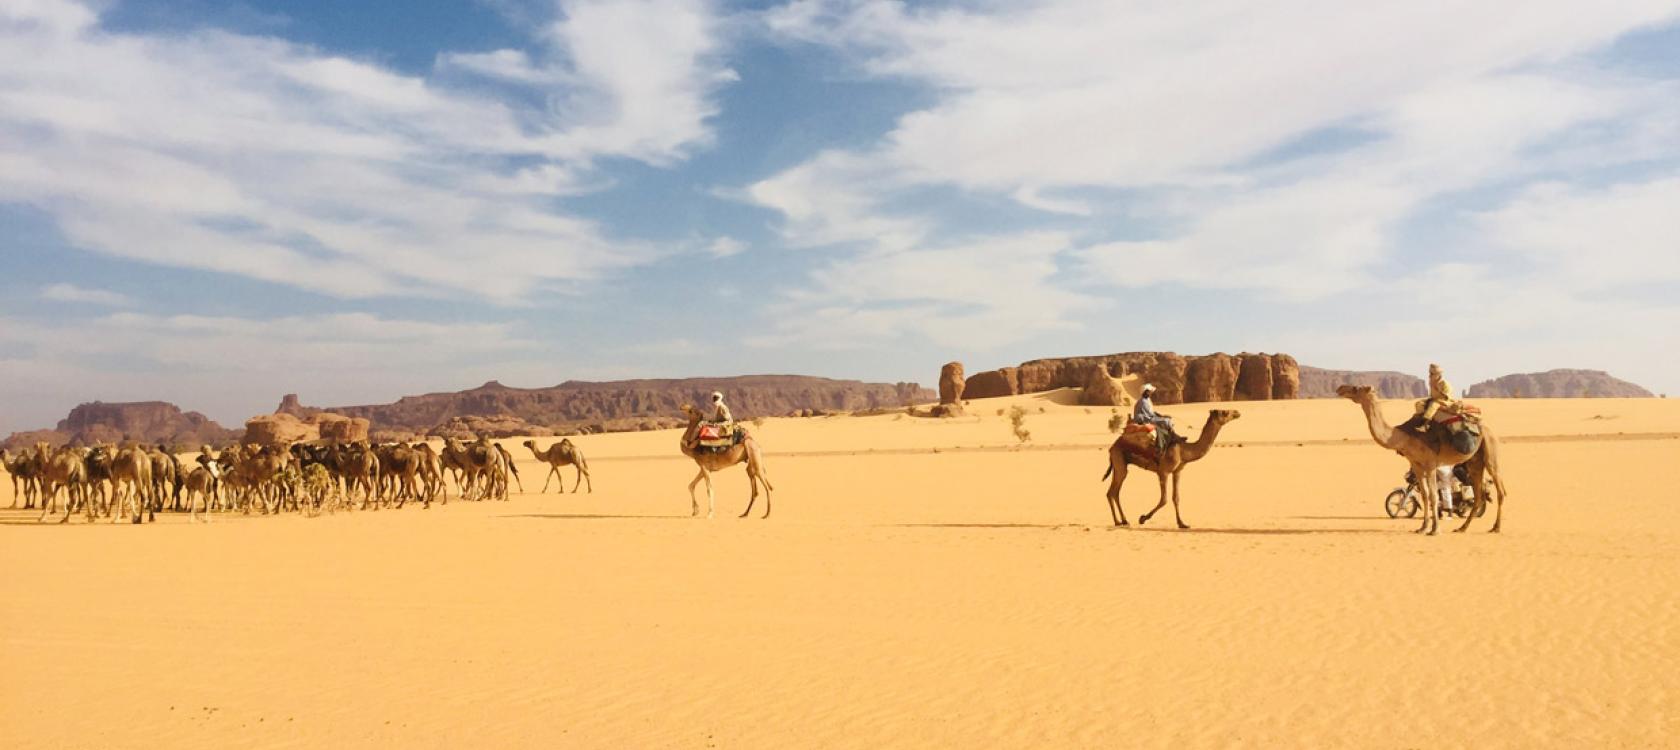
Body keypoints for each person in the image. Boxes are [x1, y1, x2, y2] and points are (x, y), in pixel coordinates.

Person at [1403, 363, 1457, 433]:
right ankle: (1419, 418)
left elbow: (1447, 395)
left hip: (1445, 401)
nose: (1430, 375)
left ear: (1438, 374)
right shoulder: (1431, 382)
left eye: (1432, 374)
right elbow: (1432, 394)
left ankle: (1426, 424)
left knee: (1433, 405)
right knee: (1419, 403)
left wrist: (1437, 395)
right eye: (1430, 373)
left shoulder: (1444, 383)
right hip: (1434, 399)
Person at [1131, 383, 1177, 454]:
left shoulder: (1147, 400)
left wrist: (1160, 415)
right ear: (1145, 392)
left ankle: (1169, 438)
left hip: (1148, 417)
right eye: (1148, 391)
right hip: (1144, 419)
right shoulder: (1142, 401)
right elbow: (1149, 414)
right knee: (1166, 421)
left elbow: (1151, 412)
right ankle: (1172, 438)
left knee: (1166, 420)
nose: (1150, 393)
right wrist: (1161, 416)